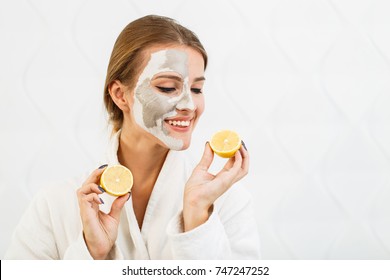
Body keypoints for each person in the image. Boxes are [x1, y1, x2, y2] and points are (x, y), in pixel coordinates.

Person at [5, 15, 261, 260]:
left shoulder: (227, 202)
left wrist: (197, 218)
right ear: (120, 95)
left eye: (197, 89)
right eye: (168, 87)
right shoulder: (54, 206)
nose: (190, 105)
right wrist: (90, 254)